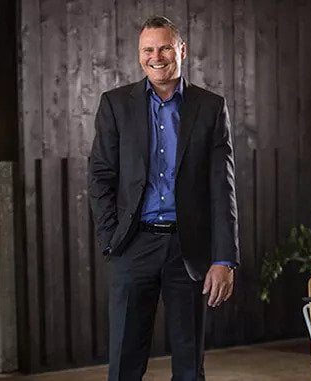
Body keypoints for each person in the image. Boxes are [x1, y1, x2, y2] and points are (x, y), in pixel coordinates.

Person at [89, 15, 240, 381]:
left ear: (182, 50)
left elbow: (222, 187)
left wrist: (224, 258)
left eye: (165, 48)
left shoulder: (210, 107)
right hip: (133, 245)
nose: (157, 57)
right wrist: (112, 238)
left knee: (190, 366)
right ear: (140, 54)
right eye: (148, 50)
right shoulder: (115, 104)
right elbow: (100, 175)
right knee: (124, 364)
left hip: (186, 250)